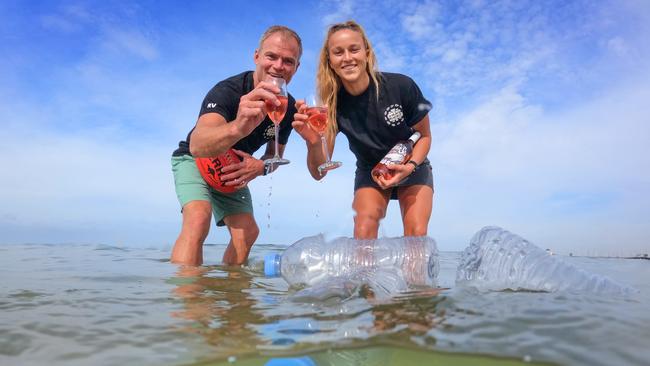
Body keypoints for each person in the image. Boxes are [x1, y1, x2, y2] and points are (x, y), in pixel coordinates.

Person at [171, 25, 302, 266]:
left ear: (296, 68)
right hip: (193, 159)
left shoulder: (288, 108)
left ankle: (233, 297)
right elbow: (198, 145)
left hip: (232, 167)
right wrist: (238, 127)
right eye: (271, 56)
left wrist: (260, 168)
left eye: (288, 61)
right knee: (198, 218)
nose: (278, 66)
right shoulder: (228, 91)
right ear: (257, 57)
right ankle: (188, 301)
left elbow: (274, 156)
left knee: (248, 233)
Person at [293, 20, 433, 239]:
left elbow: (424, 136)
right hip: (370, 171)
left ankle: (417, 274)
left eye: (354, 49)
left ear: (366, 53)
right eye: (338, 52)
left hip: (411, 165)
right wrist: (312, 142)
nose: (347, 58)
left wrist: (411, 165)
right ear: (329, 61)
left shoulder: (401, 86)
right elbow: (319, 172)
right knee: (363, 232)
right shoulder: (330, 106)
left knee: (416, 234)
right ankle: (364, 275)